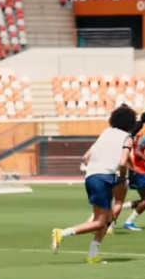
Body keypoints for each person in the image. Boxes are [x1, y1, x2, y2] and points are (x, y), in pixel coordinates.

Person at [52, 105, 136, 263]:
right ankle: (62, 233)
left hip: (93, 176)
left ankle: (93, 255)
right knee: (100, 222)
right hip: (105, 178)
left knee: (107, 217)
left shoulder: (105, 133)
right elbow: (123, 162)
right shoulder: (127, 137)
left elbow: (85, 157)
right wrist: (122, 178)